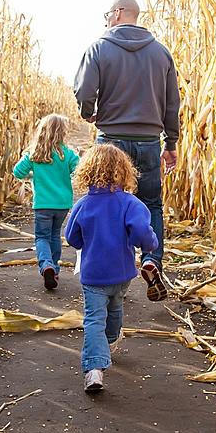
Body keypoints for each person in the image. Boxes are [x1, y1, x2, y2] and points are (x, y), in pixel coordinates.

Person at [73, 0, 180, 301]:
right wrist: (170, 142)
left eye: (108, 14)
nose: (106, 20)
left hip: (110, 140)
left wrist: (87, 112)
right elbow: (172, 103)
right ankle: (151, 259)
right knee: (150, 204)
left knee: (104, 204)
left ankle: (106, 276)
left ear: (118, 13)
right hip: (148, 141)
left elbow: (84, 90)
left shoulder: (98, 48)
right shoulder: (161, 54)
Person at [65, 143, 159, 393]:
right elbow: (143, 234)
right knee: (115, 307)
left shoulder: (83, 205)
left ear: (88, 172)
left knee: (94, 318)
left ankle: (95, 368)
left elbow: (72, 238)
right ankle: (106, 343)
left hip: (94, 274)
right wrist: (150, 244)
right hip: (122, 272)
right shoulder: (130, 203)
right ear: (124, 171)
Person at [12, 114, 79, 290]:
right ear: (63, 133)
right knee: (55, 235)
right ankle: (54, 269)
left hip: (42, 203)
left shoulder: (34, 154)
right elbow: (79, 171)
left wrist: (33, 175)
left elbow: (18, 172)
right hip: (62, 203)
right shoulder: (68, 154)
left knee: (42, 237)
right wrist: (64, 176)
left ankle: (46, 265)